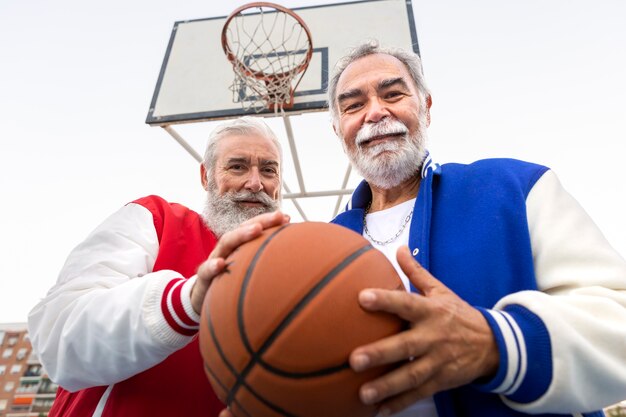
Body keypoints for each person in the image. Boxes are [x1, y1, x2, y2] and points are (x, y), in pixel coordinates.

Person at [326, 41, 626, 417]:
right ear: (339, 130)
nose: (375, 112)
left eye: (393, 94)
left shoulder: (515, 187)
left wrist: (498, 344)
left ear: (426, 107)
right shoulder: (323, 245)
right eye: (353, 105)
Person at [27, 116, 289, 417]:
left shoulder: (291, 269)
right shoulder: (155, 220)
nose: (255, 183)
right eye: (238, 166)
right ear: (206, 177)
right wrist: (185, 302)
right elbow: (58, 339)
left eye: (269, 170)